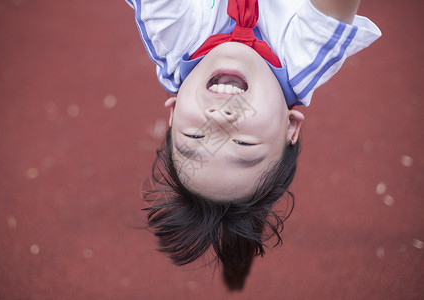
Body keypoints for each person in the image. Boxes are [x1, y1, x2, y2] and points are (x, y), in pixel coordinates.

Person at [127, 0, 381, 290]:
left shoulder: (170, 39)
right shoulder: (304, 56)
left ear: (173, 113)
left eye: (196, 136)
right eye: (243, 143)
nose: (220, 119)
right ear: (289, 126)